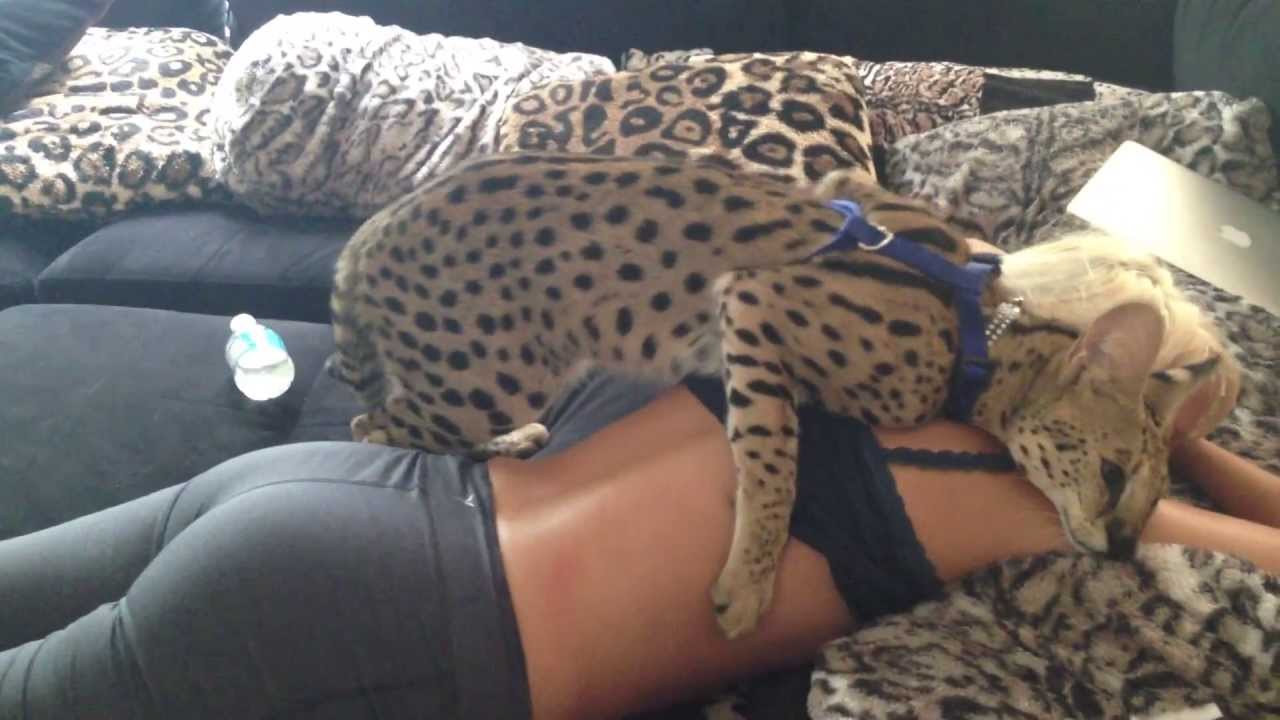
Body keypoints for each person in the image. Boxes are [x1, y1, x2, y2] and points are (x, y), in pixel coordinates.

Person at [2, 245, 1277, 720]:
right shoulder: (1016, 497)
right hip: (385, 615)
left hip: (329, 493)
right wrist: (1182, 435)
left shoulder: (848, 324)